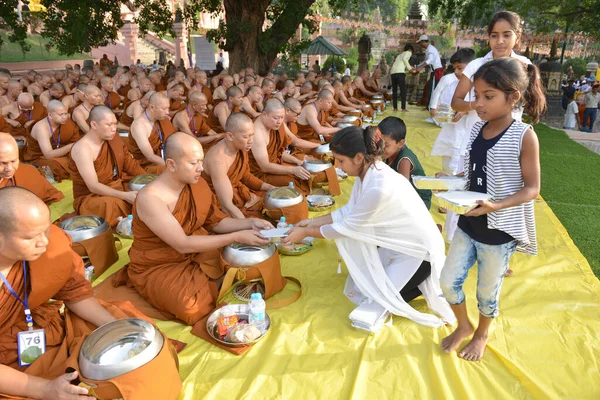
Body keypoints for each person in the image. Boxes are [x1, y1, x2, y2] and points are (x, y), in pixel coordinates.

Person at [0, 186, 182, 399]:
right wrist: (45, 390)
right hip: (7, 364)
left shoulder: (52, 246)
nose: (44, 242)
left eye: (46, 230)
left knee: (127, 329)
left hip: (43, 327)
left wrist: (112, 328)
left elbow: (74, 292)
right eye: (31, 237)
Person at [282, 126, 455, 332]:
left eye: (341, 160)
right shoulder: (370, 172)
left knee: (376, 299)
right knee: (361, 286)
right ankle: (407, 285)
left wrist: (305, 233)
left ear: (357, 157)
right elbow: (348, 212)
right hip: (400, 247)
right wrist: (311, 222)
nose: (338, 166)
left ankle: (419, 284)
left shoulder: (378, 185)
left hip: (419, 254)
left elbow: (346, 227)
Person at [439, 58, 545, 361]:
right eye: (476, 95)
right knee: (448, 282)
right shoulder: (476, 131)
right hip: (468, 222)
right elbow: (474, 175)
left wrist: (495, 206)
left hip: (499, 230)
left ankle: (482, 333)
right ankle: (463, 325)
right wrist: (452, 181)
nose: (478, 103)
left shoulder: (524, 135)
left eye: (488, 97)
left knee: (486, 292)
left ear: (512, 98)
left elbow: (532, 189)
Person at [113, 133, 272, 327]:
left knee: (244, 259)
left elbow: (215, 222)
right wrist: (237, 236)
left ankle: (211, 279)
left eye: (202, 161)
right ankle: (209, 282)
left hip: (198, 247)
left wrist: (249, 223)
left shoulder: (197, 183)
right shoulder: (151, 199)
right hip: (160, 264)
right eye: (193, 163)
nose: (201, 168)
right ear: (171, 164)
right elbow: (182, 244)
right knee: (192, 307)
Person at [69, 106, 147, 228]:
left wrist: (148, 181)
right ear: (94, 125)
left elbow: (130, 164)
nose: (114, 129)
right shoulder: (83, 148)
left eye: (115, 124)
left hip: (116, 184)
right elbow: (93, 186)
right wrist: (125, 196)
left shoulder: (113, 139)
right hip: (91, 196)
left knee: (144, 192)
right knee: (112, 204)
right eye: (109, 125)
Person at [203, 113, 275, 218]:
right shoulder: (218, 161)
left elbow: (245, 175)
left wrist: (269, 187)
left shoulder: (240, 146)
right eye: (246, 136)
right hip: (217, 204)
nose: (251, 141)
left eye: (252, 135)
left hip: (238, 195)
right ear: (230, 136)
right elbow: (226, 205)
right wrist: (247, 224)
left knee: (276, 201)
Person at [249, 99, 312, 193]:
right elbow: (264, 167)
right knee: (293, 182)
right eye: (276, 118)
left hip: (275, 163)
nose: (279, 121)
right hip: (260, 174)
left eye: (282, 117)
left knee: (305, 172)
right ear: (264, 114)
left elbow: (278, 152)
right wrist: (292, 170)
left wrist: (297, 162)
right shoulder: (257, 134)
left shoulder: (275, 125)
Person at [430, 48, 476, 177]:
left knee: (460, 157)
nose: (456, 72)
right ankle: (448, 176)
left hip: (467, 128)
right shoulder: (451, 81)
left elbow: (481, 104)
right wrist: (436, 108)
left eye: (460, 68)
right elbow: (439, 94)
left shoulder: (479, 84)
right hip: (450, 125)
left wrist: (465, 111)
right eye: (455, 68)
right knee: (448, 156)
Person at [378, 117, 432, 209]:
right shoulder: (389, 152)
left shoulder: (404, 160)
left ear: (400, 143)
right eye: (378, 142)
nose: (380, 148)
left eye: (386, 145)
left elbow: (403, 190)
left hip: (419, 200)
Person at [0, 133, 64, 205]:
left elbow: (52, 196)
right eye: (3, 163)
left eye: (13, 161)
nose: (9, 168)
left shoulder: (29, 172)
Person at [25, 100, 80, 182]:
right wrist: (70, 147)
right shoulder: (41, 128)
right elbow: (48, 155)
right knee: (52, 165)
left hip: (61, 154)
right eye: (61, 114)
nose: (64, 117)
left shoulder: (66, 122)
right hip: (41, 158)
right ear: (50, 115)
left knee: (81, 157)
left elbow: (75, 139)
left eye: (65, 113)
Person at [128, 92, 176, 173]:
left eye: (168, 108)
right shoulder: (139, 126)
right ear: (152, 107)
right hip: (147, 166)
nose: (167, 112)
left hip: (165, 158)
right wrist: (174, 164)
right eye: (164, 109)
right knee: (174, 171)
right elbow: (150, 156)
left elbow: (174, 140)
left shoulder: (163, 120)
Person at [390, 44, 414, 112]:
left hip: (393, 73)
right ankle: (403, 108)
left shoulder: (400, 55)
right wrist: (410, 69)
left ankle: (395, 108)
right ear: (410, 50)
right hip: (400, 73)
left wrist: (409, 67)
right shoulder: (408, 52)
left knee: (394, 91)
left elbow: (402, 63)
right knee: (403, 90)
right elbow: (405, 59)